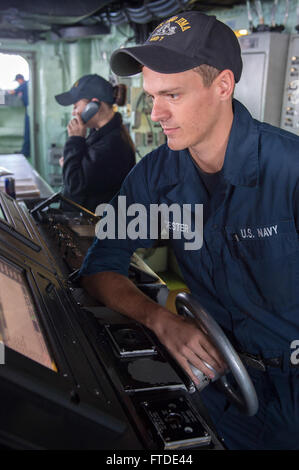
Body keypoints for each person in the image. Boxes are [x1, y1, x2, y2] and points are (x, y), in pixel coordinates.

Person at [79, 11, 299, 450]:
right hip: (220, 384)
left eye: (172, 95)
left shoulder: (289, 171)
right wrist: (160, 320)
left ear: (222, 86)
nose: (155, 113)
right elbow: (100, 267)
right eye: (152, 95)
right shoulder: (154, 177)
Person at [55, 74, 136, 212]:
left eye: (75, 106)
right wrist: (70, 164)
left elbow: (75, 186)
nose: (74, 113)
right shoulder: (98, 135)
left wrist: (75, 139)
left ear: (94, 105)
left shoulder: (112, 145)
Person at [10, 74, 30, 157]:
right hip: (29, 110)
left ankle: (25, 152)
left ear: (20, 79)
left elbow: (12, 92)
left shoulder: (23, 85)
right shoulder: (26, 85)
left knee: (28, 132)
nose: (18, 83)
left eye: (18, 81)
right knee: (28, 132)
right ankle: (26, 151)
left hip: (29, 111)